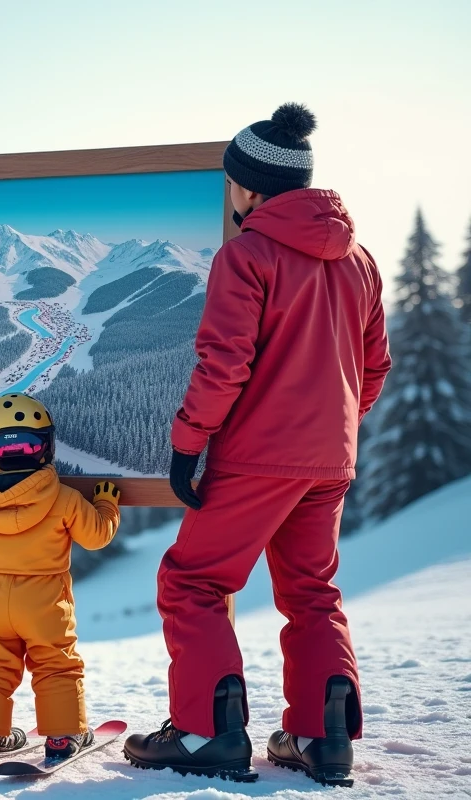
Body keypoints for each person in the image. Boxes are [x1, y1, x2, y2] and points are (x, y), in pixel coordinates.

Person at [123, 103, 392, 786]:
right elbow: (374, 366)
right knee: (311, 591)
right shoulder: (358, 258)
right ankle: (320, 736)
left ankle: (203, 733)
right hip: (329, 458)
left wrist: (189, 443)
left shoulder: (247, 255)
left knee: (192, 581)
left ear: (247, 187)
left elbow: (224, 364)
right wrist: (330, 430)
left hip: (256, 456)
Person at [0, 394, 120, 760]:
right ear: (47, 447)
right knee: (56, 663)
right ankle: (62, 736)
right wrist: (107, 503)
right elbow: (97, 535)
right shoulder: (65, 498)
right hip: (43, 602)